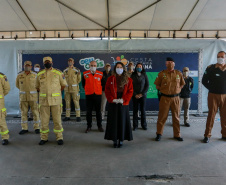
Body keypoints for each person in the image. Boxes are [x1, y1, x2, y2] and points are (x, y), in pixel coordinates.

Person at [36, 56, 67, 145]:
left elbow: (63, 85)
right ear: (43, 63)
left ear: (52, 63)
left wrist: (55, 92)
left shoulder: (58, 73)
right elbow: (37, 87)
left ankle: (59, 137)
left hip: (56, 101)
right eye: (45, 62)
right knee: (43, 121)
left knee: (57, 120)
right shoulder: (39, 74)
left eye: (48, 61)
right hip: (43, 101)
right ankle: (44, 138)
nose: (47, 63)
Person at [154, 57, 185, 141]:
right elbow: (157, 85)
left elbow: (182, 84)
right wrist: (164, 90)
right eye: (168, 63)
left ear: (174, 63)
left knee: (176, 117)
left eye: (171, 62)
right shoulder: (161, 74)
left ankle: (177, 135)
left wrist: (177, 90)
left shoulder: (179, 73)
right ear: (165, 64)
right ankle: (159, 134)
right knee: (162, 117)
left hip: (176, 98)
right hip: (165, 98)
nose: (169, 64)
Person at [104, 62, 133, 148]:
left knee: (122, 121)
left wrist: (123, 99)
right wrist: (112, 99)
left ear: (123, 68)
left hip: (123, 102)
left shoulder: (128, 79)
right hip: (113, 102)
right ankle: (115, 139)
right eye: (117, 67)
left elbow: (130, 91)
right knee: (114, 121)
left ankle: (121, 139)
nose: (119, 68)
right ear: (115, 68)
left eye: (120, 67)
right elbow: (107, 90)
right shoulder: (110, 79)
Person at [202, 51, 226, 143]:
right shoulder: (211, 68)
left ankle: (224, 134)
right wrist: (212, 88)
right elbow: (204, 81)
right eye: (218, 56)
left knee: (225, 116)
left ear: (225, 57)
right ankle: (207, 135)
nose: (220, 58)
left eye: (222, 56)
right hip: (213, 95)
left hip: (225, 96)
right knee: (211, 115)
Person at [16, 61, 40, 135]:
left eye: (29, 65)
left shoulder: (35, 75)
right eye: (26, 65)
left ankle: (37, 127)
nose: (27, 66)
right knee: (23, 113)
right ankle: (24, 128)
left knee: (35, 112)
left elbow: (38, 85)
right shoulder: (19, 75)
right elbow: (17, 85)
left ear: (31, 67)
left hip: (33, 97)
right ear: (23, 66)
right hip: (23, 97)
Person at [82, 60, 104, 133]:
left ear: (96, 66)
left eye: (94, 66)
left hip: (98, 95)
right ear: (89, 66)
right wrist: (88, 89)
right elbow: (83, 84)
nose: (93, 67)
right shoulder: (85, 74)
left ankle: (99, 126)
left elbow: (103, 84)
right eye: (92, 65)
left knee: (98, 112)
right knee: (89, 112)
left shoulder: (100, 74)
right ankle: (89, 126)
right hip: (89, 95)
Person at [131, 63, 149, 131]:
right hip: (135, 96)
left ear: (142, 68)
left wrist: (141, 94)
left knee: (143, 111)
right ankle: (135, 126)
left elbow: (147, 85)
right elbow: (130, 86)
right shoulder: (132, 75)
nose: (139, 67)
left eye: (140, 66)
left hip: (143, 96)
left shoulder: (144, 75)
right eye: (138, 66)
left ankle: (144, 125)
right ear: (136, 67)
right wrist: (135, 94)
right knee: (135, 111)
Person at [0, 72, 10, 145]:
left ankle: (5, 137)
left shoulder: (2, 76)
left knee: (1, 120)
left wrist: (1, 96)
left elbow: (6, 89)